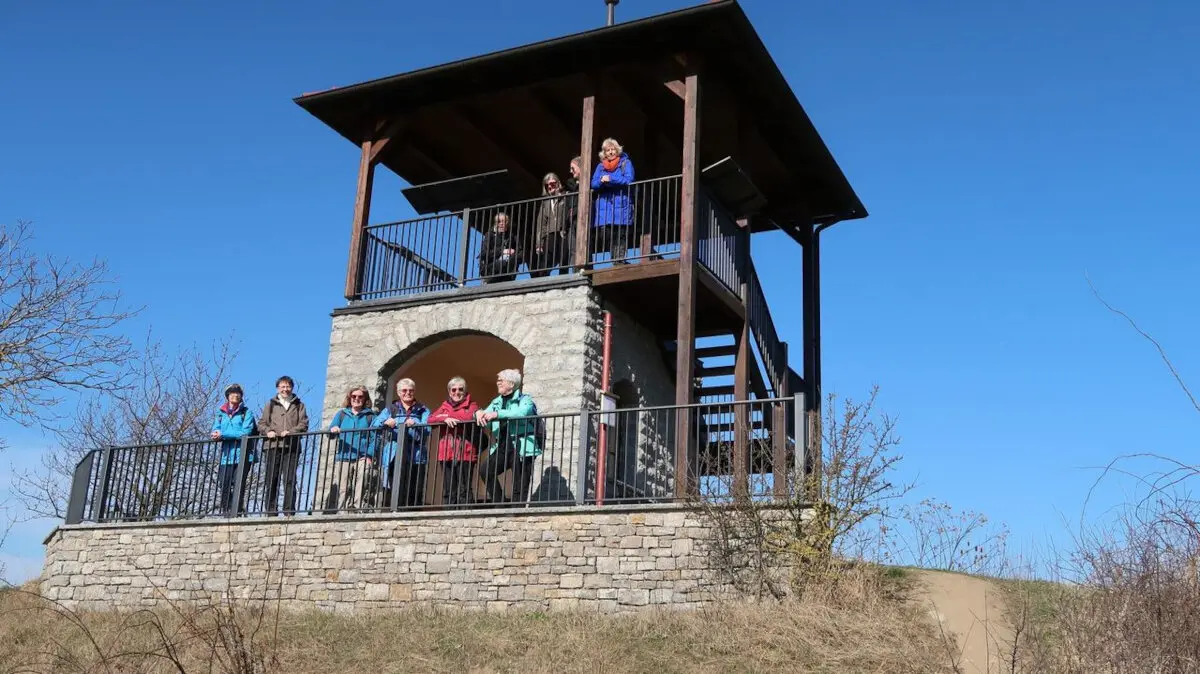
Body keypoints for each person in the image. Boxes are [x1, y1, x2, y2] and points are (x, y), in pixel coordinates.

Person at [475, 369, 542, 505]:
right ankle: (500, 505)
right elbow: (484, 414)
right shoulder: (496, 402)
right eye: (498, 379)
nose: (498, 382)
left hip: (522, 446)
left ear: (511, 384)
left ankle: (517, 514)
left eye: (501, 380)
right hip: (502, 447)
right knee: (486, 470)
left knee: (520, 483)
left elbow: (522, 412)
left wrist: (497, 414)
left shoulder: (525, 400)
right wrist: (478, 413)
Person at [373, 378, 430, 508]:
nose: (407, 393)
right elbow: (375, 424)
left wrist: (416, 424)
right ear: (398, 392)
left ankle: (412, 517)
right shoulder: (391, 409)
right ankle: (393, 514)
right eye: (404, 390)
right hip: (394, 453)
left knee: (414, 490)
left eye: (411, 390)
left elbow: (428, 428)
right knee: (393, 486)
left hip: (416, 454)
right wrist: (385, 422)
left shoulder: (422, 410)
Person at [258, 375, 310, 515]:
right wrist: (268, 431)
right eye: (282, 386)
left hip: (291, 446)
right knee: (271, 479)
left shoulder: (299, 405)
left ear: (292, 388)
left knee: (289, 480)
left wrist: (291, 432)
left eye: (288, 386)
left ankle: (289, 511)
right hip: (272, 446)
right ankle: (271, 511)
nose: (285, 389)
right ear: (278, 388)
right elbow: (262, 424)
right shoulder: (271, 404)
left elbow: (304, 424)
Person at [428, 376, 481, 506]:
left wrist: (445, 416)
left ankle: (465, 516)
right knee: (448, 488)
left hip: (466, 452)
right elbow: (430, 419)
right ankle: (448, 515)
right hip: (446, 452)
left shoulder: (472, 405)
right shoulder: (444, 405)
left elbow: (467, 416)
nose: (457, 392)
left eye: (460, 389)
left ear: (465, 390)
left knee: (464, 488)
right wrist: (444, 419)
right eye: (453, 390)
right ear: (449, 391)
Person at [326, 385, 379, 511]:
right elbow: (331, 431)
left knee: (362, 480)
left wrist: (369, 455)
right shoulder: (342, 414)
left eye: (360, 396)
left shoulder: (370, 416)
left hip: (363, 456)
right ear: (349, 398)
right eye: (354, 396)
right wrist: (333, 430)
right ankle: (342, 510)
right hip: (344, 455)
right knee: (343, 485)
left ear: (365, 399)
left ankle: (358, 508)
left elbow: (375, 437)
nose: (357, 399)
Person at [210, 383, 257, 516]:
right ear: (227, 396)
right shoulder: (220, 413)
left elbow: (245, 432)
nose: (235, 395)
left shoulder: (247, 412)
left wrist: (223, 434)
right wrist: (215, 434)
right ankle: (227, 509)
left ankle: (236, 511)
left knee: (238, 484)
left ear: (241, 397)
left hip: (243, 454)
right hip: (226, 455)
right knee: (223, 483)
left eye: (238, 393)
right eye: (232, 393)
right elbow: (216, 427)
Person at [591, 138, 635, 264]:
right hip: (605, 209)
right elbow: (593, 183)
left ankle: (619, 261)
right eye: (607, 150)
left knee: (620, 235)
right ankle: (615, 260)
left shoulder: (626, 163)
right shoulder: (600, 167)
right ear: (604, 153)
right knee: (608, 236)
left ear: (617, 150)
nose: (610, 152)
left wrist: (609, 179)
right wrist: (601, 181)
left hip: (622, 205)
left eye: (613, 149)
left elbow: (628, 180)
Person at [531, 172, 573, 277]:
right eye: (547, 185)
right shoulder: (545, 203)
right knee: (547, 257)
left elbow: (568, 213)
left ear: (558, 183)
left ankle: (563, 278)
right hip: (550, 233)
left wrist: (560, 195)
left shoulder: (566, 196)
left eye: (552, 184)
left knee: (564, 257)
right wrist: (539, 243)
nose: (550, 187)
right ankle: (542, 278)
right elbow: (541, 224)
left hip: (563, 232)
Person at [477, 212, 520, 282]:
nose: (501, 223)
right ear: (496, 223)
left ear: (507, 223)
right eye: (499, 221)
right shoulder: (490, 235)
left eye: (504, 221)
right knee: (502, 263)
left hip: (506, 270)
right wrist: (502, 251)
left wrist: (513, 252)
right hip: (490, 268)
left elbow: (519, 252)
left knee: (514, 257)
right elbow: (484, 254)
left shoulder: (511, 236)